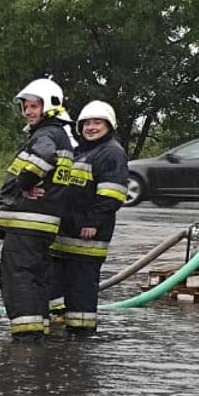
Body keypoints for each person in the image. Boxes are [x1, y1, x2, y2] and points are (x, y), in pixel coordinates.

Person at [0, 78, 75, 341]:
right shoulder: (61, 135)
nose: (28, 111)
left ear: (49, 106)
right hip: (42, 224)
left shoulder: (47, 134)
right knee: (37, 278)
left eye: (34, 106)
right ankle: (39, 331)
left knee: (19, 278)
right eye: (25, 106)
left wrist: (22, 186)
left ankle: (25, 341)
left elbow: (45, 157)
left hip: (27, 223)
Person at [50, 100, 129, 336]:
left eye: (97, 123)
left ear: (109, 126)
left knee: (82, 288)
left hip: (88, 236)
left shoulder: (112, 153)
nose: (91, 127)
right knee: (58, 283)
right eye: (87, 123)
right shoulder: (81, 152)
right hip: (66, 234)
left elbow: (112, 194)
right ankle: (63, 327)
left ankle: (82, 335)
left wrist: (93, 222)